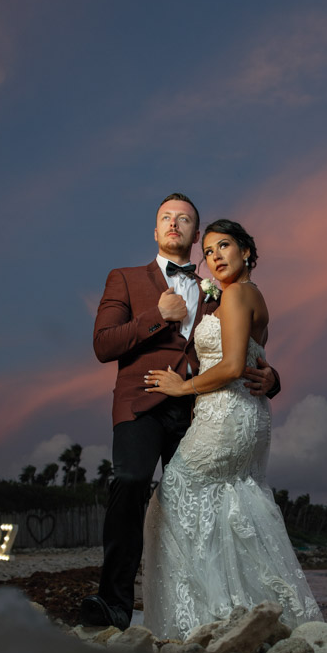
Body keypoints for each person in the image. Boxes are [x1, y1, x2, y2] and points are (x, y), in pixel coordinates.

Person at [81, 195, 280, 630]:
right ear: (155, 232)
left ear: (195, 235)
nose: (174, 223)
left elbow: (243, 345)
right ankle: (114, 601)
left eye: (184, 219)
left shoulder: (220, 289)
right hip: (143, 402)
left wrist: (273, 378)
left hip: (199, 410)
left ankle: (198, 607)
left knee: (193, 506)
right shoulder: (126, 278)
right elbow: (103, 345)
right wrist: (157, 315)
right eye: (165, 218)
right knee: (132, 482)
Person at [142, 219, 321, 640]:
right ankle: (247, 613)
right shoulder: (247, 297)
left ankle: (204, 619)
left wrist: (182, 385)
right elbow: (257, 362)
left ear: (246, 252)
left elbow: (234, 365)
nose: (215, 256)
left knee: (170, 501)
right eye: (208, 252)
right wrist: (273, 377)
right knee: (235, 502)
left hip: (224, 416)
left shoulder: (239, 293)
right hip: (248, 416)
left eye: (224, 246)